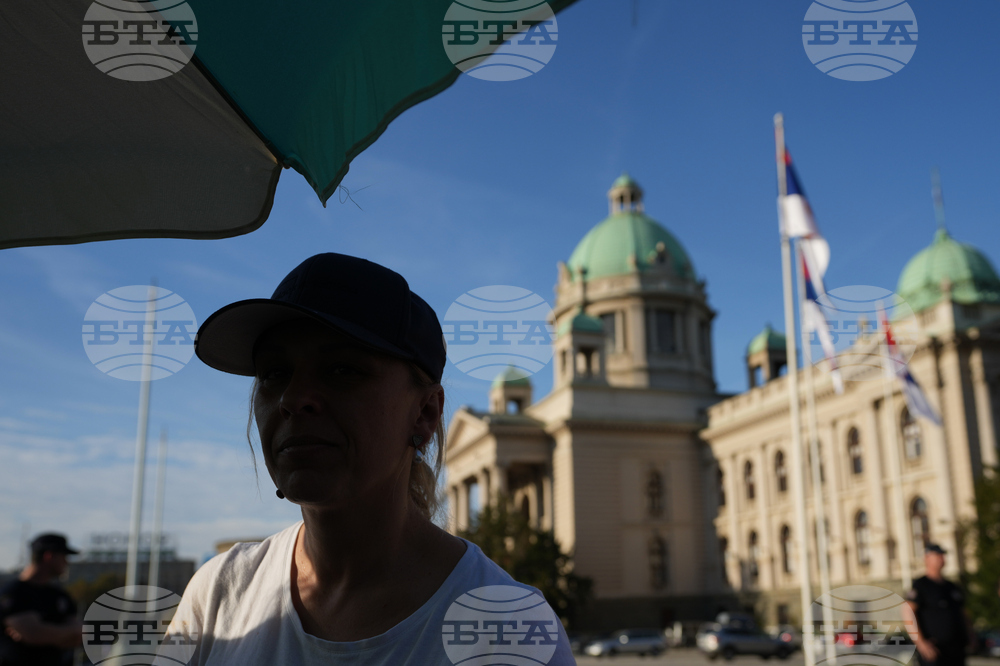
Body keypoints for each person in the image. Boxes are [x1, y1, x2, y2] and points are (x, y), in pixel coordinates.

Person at [165, 253, 575, 664]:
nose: (293, 399)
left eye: (342, 370)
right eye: (273, 374)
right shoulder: (217, 596)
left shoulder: (513, 632)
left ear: (426, 412)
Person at [0, 533, 82, 666]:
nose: (67, 562)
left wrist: (43, 632)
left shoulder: (60, 596)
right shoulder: (14, 593)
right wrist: (66, 632)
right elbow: (34, 633)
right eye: (64, 556)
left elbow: (77, 637)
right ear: (48, 556)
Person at [905, 543, 974, 666]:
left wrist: (971, 636)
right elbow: (908, 612)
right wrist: (920, 643)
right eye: (937, 555)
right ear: (926, 559)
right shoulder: (921, 585)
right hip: (934, 649)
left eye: (942, 556)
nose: (941, 559)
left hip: (956, 647)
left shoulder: (951, 586)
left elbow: (964, 614)